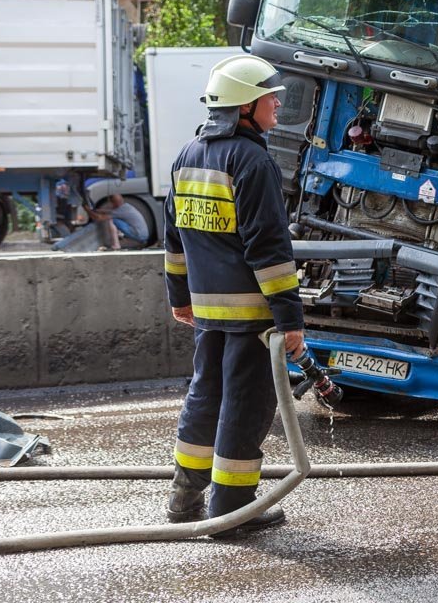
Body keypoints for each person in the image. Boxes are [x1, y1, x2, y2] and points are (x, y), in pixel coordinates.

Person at [163, 54, 307, 538]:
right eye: (270, 97)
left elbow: (175, 239)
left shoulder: (188, 155)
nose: (277, 104)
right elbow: (269, 248)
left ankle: (184, 498)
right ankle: (232, 510)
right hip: (252, 315)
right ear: (245, 106)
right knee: (245, 407)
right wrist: (290, 319)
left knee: (205, 396)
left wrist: (179, 297)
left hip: (207, 311)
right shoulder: (252, 160)